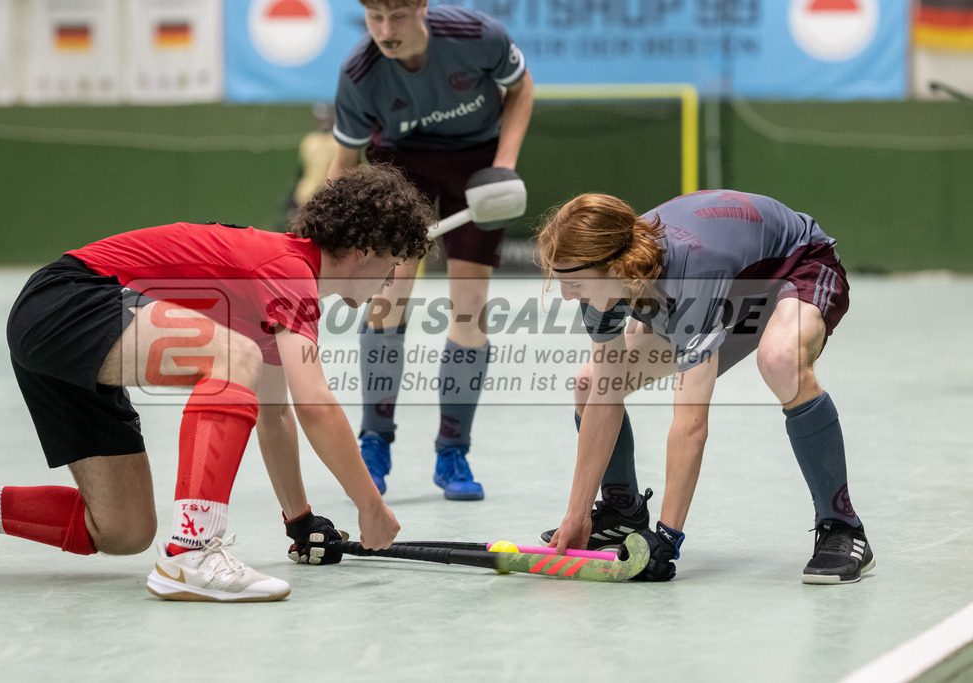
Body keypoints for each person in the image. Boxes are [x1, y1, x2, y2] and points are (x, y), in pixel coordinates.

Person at [0, 164, 433, 601]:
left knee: (122, 529)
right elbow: (315, 402)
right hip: (67, 300)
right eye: (392, 263)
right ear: (364, 248)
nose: (390, 281)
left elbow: (277, 413)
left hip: (62, 326)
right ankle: (191, 551)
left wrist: (300, 520)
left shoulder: (275, 295)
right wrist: (370, 505)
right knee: (232, 357)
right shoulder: (289, 273)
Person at [536, 190, 875, 585]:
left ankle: (843, 526)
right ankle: (621, 511)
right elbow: (607, 391)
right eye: (559, 278)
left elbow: (691, 425)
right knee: (590, 381)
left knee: (780, 360)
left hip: (796, 265)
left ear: (613, 266)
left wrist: (666, 537)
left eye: (572, 281)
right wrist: (575, 516)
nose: (565, 293)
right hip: (730, 289)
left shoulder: (690, 277)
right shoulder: (601, 282)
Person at [327, 0, 534, 500]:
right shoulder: (360, 72)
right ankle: (374, 442)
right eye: (375, 17)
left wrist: (504, 165)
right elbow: (342, 163)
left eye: (396, 15)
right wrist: (333, 241)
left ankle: (452, 451)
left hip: (475, 166)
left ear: (421, 7)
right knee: (389, 295)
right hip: (401, 169)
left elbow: (521, 88)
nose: (385, 30)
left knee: (470, 307)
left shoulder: (477, 34)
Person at [282, 102, 340, 223]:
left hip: (327, 200)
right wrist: (292, 203)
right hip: (304, 198)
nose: (324, 120)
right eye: (321, 116)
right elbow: (302, 171)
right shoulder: (309, 141)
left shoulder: (339, 142)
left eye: (327, 116)